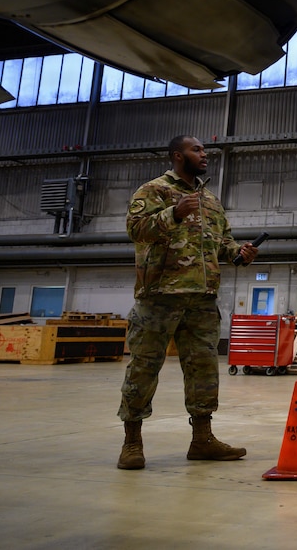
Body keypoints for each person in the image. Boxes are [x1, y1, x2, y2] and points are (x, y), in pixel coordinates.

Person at [117, 135, 260, 470]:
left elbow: (223, 244)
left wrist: (240, 254)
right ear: (177, 156)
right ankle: (132, 442)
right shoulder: (153, 190)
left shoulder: (209, 199)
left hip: (202, 301)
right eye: (197, 149)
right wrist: (173, 214)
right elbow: (135, 229)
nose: (204, 154)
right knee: (143, 369)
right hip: (159, 298)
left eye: (204, 150)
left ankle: (203, 439)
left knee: (204, 372)